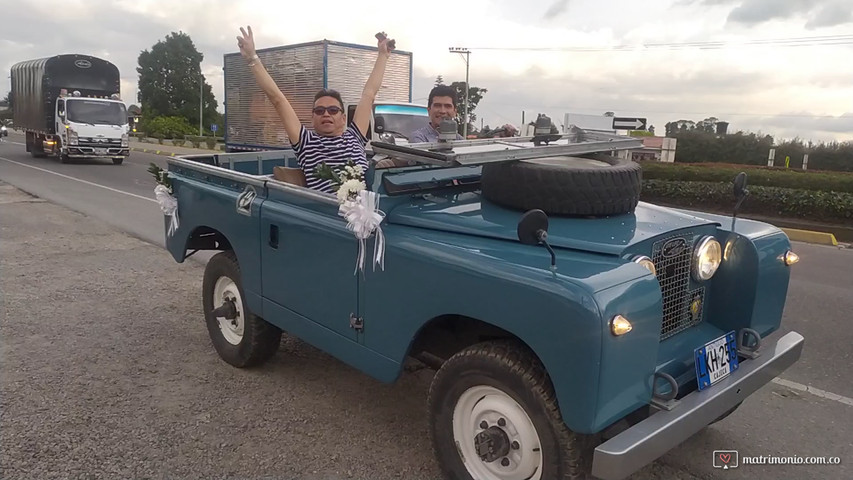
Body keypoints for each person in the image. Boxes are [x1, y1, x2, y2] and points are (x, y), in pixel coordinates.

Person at [236, 26, 395, 194]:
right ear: (312, 118)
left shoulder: (354, 137)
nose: (326, 114)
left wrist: (383, 55)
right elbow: (278, 99)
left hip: (369, 211)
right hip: (326, 214)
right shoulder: (305, 142)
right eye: (319, 111)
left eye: (333, 110)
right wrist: (252, 59)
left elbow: (369, 94)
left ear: (343, 117)